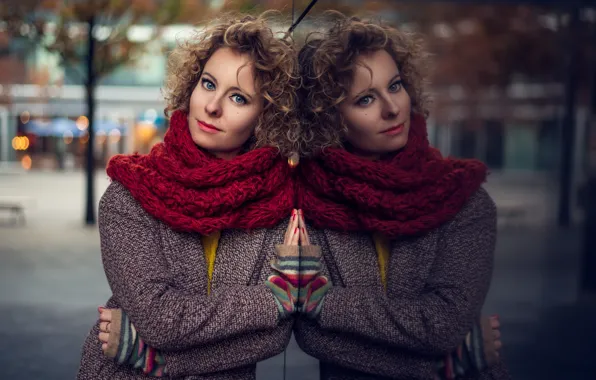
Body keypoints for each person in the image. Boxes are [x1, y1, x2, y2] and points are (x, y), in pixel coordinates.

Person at [77, 12, 306, 380]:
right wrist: (270, 301)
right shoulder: (129, 195)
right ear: (191, 85)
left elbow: (274, 339)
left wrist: (159, 360)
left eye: (238, 97)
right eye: (208, 84)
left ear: (265, 117)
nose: (213, 106)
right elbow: (160, 320)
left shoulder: (278, 206)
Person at [291, 12, 510, 379]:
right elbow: (314, 338)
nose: (392, 109)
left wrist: (326, 304)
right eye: (365, 99)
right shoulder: (310, 204)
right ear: (328, 118)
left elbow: (442, 324)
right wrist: (453, 361)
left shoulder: (463, 200)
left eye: (395, 86)